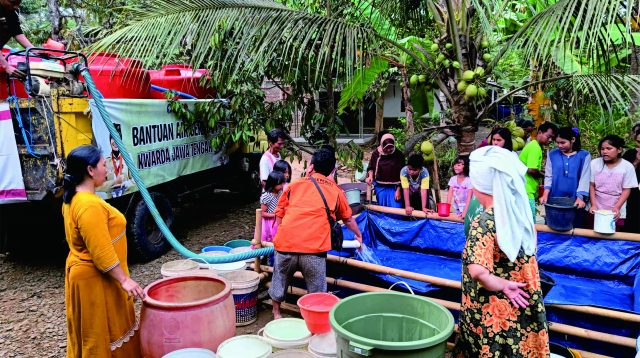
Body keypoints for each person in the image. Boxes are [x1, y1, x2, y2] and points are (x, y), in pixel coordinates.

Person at [454, 146, 549, 357]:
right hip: (524, 299)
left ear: (479, 184)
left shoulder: (485, 221)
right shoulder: (520, 212)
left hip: (495, 307)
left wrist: (504, 285)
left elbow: (478, 270)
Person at [61, 145, 143, 357]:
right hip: (97, 280)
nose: (106, 168)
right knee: (104, 334)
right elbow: (101, 251)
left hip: (87, 276)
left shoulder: (73, 199)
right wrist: (125, 280)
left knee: (92, 332)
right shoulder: (88, 206)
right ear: (90, 170)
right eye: (102, 164)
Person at [269, 147, 363, 319]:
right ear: (333, 170)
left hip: (285, 246)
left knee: (279, 280)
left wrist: (281, 236)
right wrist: (358, 235)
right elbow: (348, 219)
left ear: (311, 166)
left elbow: (279, 214)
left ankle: (276, 313)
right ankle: (314, 320)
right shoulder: (336, 191)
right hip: (314, 250)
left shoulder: (294, 185)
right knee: (317, 290)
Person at [540, 127, 591, 227]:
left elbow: (585, 177)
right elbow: (549, 175)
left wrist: (580, 198)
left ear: (573, 139)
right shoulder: (552, 154)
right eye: (557, 143)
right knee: (554, 227)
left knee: (575, 228)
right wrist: (545, 194)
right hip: (554, 198)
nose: (559, 146)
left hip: (575, 199)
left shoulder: (584, 155)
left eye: (563, 142)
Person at [589, 135, 638, 230]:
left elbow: (626, 189)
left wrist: (617, 207)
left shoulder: (627, 166)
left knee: (612, 235)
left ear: (619, 150)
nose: (604, 151)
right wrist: (594, 205)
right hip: (596, 206)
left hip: (616, 206)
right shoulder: (594, 163)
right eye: (602, 149)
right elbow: (591, 186)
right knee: (593, 234)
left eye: (609, 148)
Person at [519, 122, 558, 220]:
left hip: (525, 190)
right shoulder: (535, 147)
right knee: (530, 222)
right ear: (540, 132)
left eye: (552, 139)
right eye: (548, 136)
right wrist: (546, 176)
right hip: (526, 191)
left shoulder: (534, 145)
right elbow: (532, 170)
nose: (550, 140)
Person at [365, 133, 406, 208]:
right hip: (381, 186)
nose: (389, 150)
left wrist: (399, 190)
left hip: (395, 187)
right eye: (386, 148)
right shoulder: (376, 154)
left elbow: (404, 174)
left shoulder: (399, 155)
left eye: (391, 147)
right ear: (382, 145)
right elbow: (371, 167)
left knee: (396, 208)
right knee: (382, 208)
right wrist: (370, 176)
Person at [1, 0, 34, 79]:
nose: (16, 7)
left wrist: (34, 50)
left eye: (18, 3)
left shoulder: (11, 12)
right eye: (12, 3)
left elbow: (17, 32)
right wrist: (6, 66)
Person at [97, 133, 133, 197]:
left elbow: (135, 180)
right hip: (111, 199)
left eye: (118, 138)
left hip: (127, 197)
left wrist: (124, 184)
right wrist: (114, 182)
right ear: (110, 141)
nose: (115, 141)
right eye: (112, 138)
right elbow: (100, 184)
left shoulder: (128, 158)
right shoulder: (106, 161)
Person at [260, 171, 286, 245]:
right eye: (280, 183)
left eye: (283, 183)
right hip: (269, 223)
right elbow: (262, 213)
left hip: (278, 220)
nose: (282, 185)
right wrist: (275, 215)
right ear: (273, 183)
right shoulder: (266, 196)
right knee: (269, 241)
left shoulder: (280, 193)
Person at [622, 129, 640, 233]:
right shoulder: (630, 154)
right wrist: (636, 162)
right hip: (632, 196)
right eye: (638, 142)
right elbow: (622, 175)